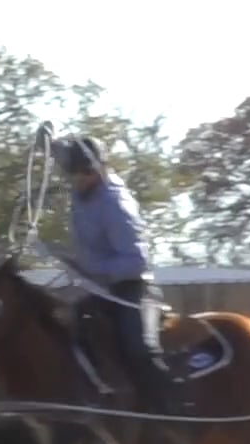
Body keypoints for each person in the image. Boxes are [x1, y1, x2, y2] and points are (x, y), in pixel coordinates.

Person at [49, 132, 185, 418]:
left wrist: (88, 268)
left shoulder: (115, 205)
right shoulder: (81, 194)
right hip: (99, 291)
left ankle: (178, 416)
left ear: (96, 169)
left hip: (132, 291)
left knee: (141, 350)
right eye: (72, 173)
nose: (76, 179)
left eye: (81, 173)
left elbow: (137, 261)